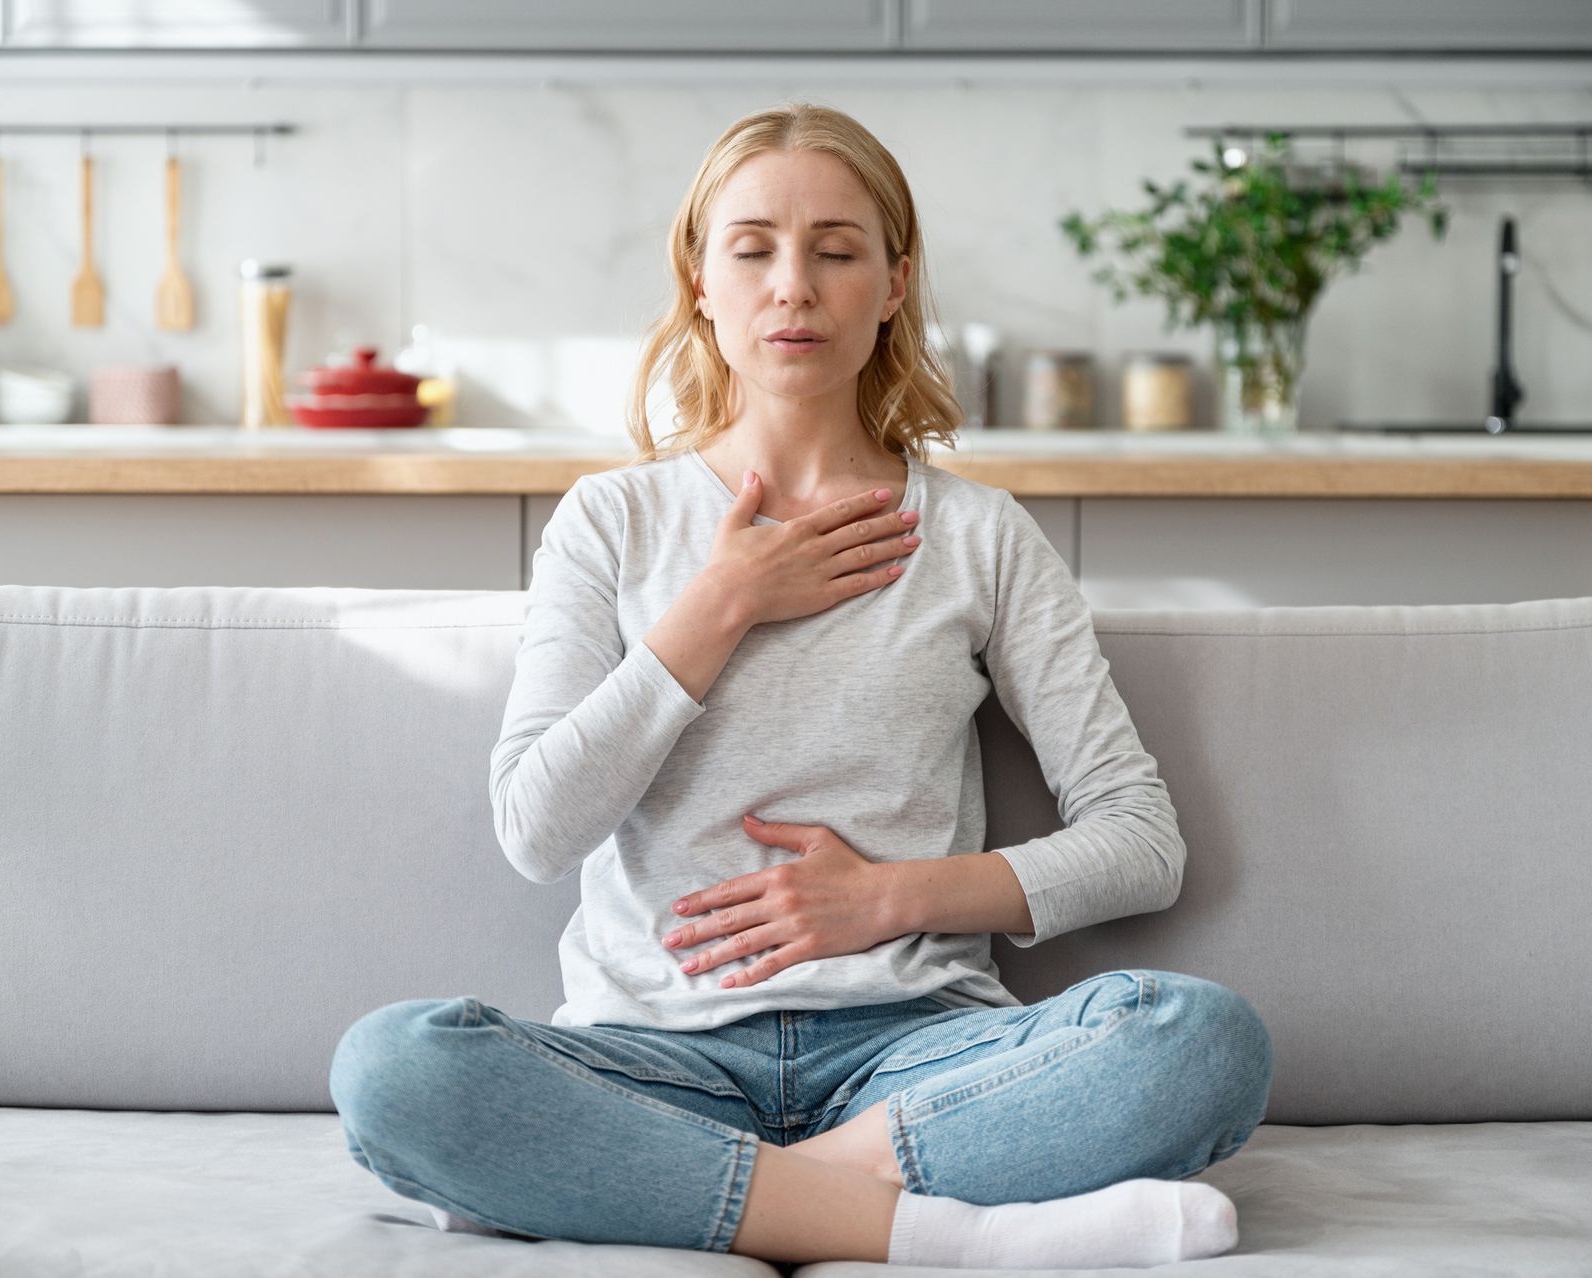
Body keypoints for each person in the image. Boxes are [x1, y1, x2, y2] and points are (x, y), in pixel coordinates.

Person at [330, 101, 1272, 1269]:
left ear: (892, 285)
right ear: (700, 277)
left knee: (1200, 1041)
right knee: (393, 1069)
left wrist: (891, 899)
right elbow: (537, 828)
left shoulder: (979, 536)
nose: (795, 287)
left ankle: (656, 1191)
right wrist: (717, 605)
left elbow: (1141, 839)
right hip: (657, 1058)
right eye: (754, 248)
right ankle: (953, 1237)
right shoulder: (611, 524)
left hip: (915, 1060)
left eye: (837, 251)